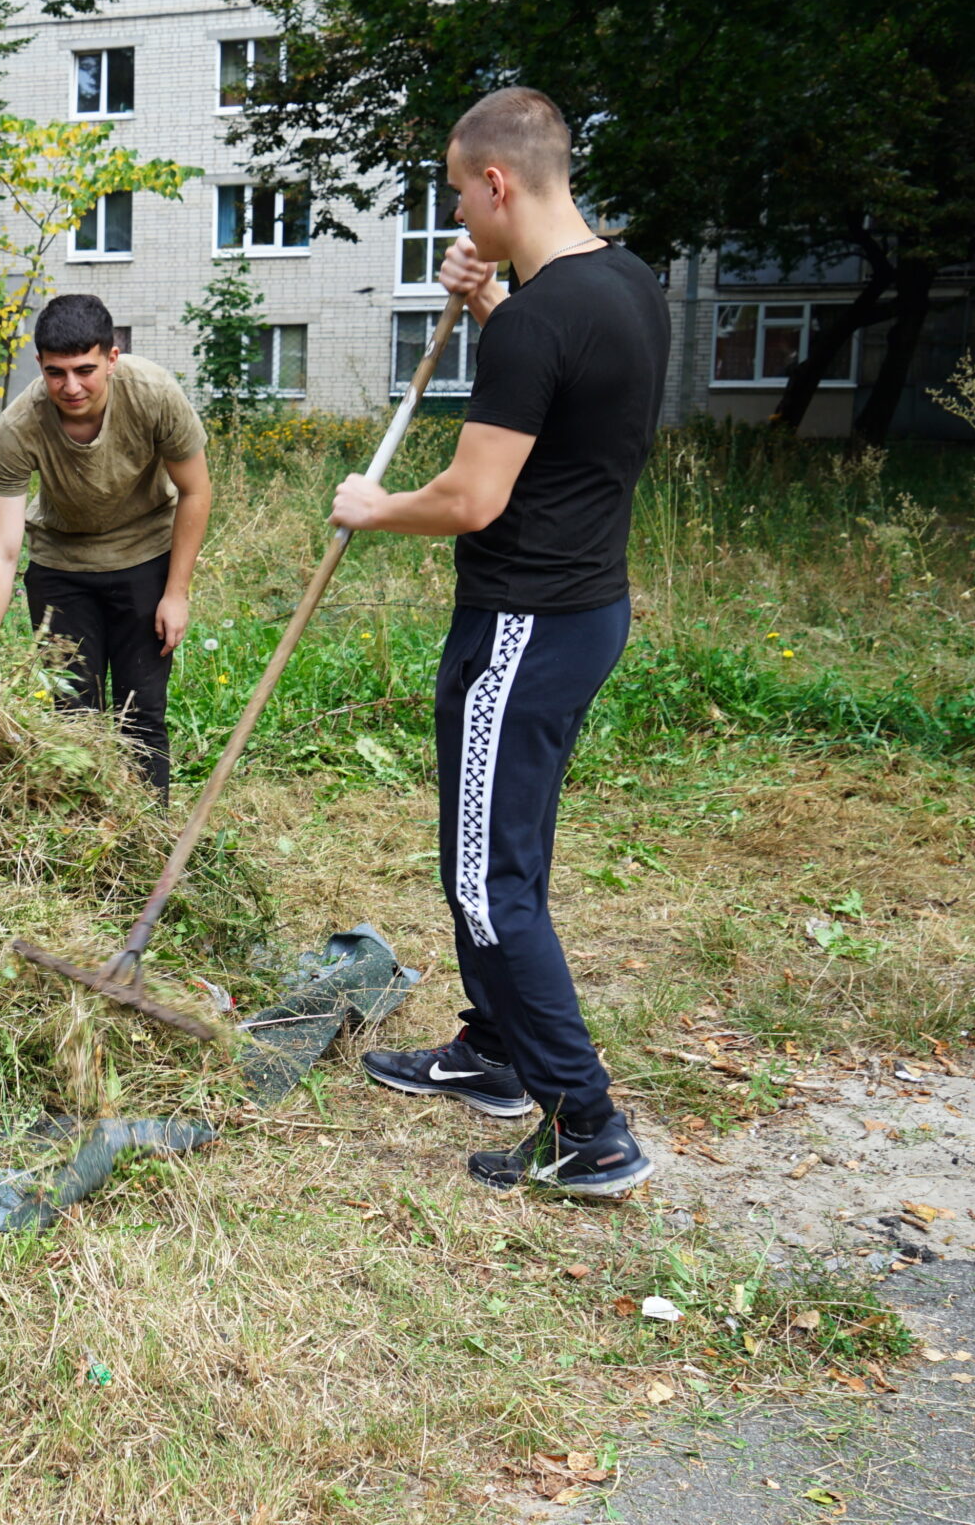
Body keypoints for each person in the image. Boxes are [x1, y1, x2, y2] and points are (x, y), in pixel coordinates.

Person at [331, 87, 668, 1198]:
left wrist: (370, 508)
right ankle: (495, 1050)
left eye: (454, 199)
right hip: (582, 612)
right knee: (502, 853)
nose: (455, 225)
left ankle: (589, 1124)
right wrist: (485, 314)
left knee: (485, 879)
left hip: (520, 622)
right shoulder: (621, 285)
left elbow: (474, 495)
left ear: (497, 183)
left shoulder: (536, 315)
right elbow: (559, 412)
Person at [0, 294, 210, 793]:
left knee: (140, 713)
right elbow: (3, 549)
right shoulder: (20, 425)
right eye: (56, 372)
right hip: (62, 568)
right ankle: (83, 844)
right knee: (73, 716)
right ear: (39, 365)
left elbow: (195, 490)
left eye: (85, 369)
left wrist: (177, 592)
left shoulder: (153, 394)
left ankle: (145, 843)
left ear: (112, 357)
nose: (71, 387)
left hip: (146, 557)